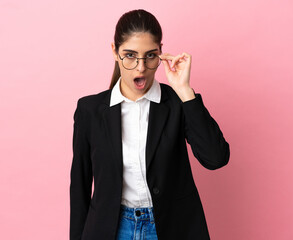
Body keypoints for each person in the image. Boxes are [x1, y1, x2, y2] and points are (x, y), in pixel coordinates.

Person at [70, 9, 230, 240]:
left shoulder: (177, 104)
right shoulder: (90, 111)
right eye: (130, 55)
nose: (141, 67)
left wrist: (185, 91)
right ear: (115, 52)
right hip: (111, 229)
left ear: (161, 53)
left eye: (150, 55)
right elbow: (80, 187)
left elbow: (216, 159)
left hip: (171, 227)